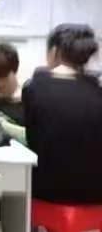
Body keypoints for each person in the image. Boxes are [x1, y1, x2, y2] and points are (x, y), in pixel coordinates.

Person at [23, 24, 102, 204]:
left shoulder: (34, 88)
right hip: (95, 195)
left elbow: (33, 139)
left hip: (48, 192)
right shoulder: (98, 91)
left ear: (53, 52)